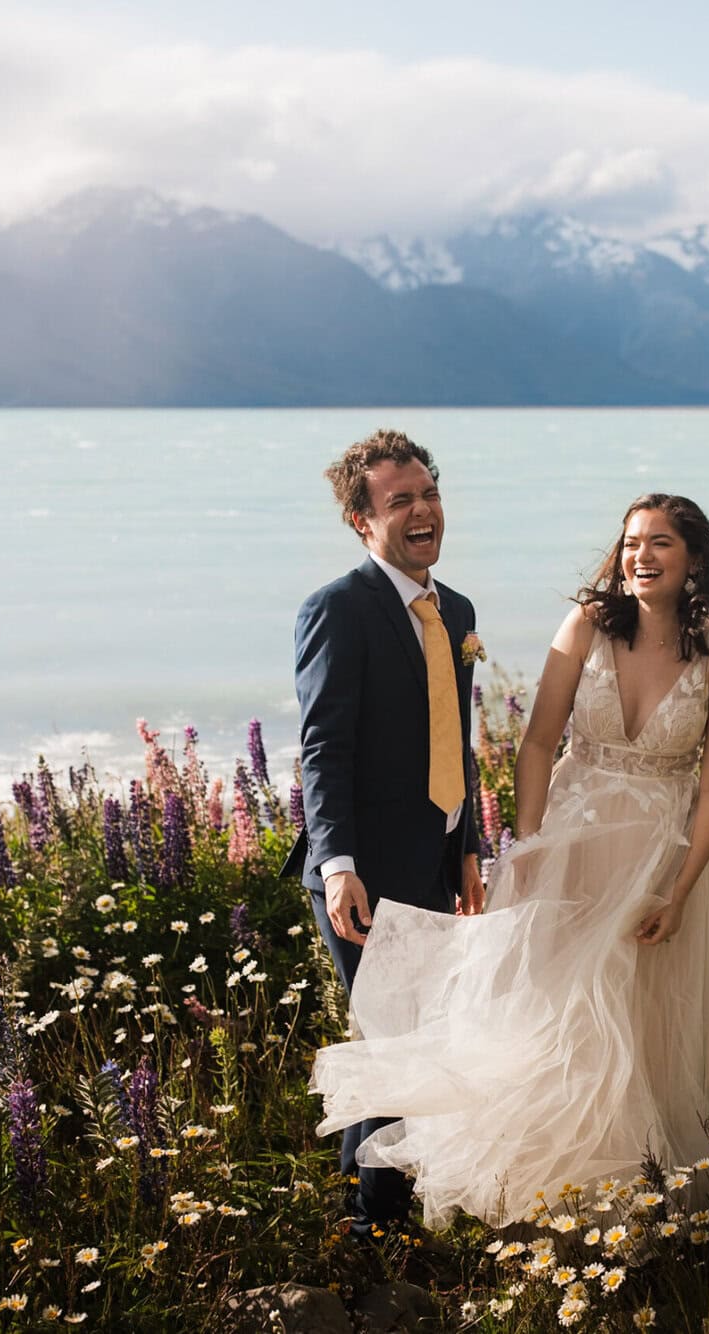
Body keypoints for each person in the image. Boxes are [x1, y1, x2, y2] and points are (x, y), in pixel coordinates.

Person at [311, 493, 709, 1228]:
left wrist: (680, 890)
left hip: (659, 859)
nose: (639, 558)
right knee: (555, 1016)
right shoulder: (587, 626)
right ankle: (542, 1191)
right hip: (568, 846)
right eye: (630, 543)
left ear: (695, 563)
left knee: (640, 1021)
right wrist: (525, 848)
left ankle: (627, 1193)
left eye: (659, 545)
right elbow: (535, 744)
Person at [283, 428, 485, 1243]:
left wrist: (466, 845)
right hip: (361, 876)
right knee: (399, 1038)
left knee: (410, 1036)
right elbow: (321, 747)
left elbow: (455, 738)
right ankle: (377, 1223)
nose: (421, 510)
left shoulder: (457, 612)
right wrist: (337, 864)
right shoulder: (337, 609)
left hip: (434, 863)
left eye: (428, 493)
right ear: (361, 522)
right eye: (399, 501)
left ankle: (359, 1199)